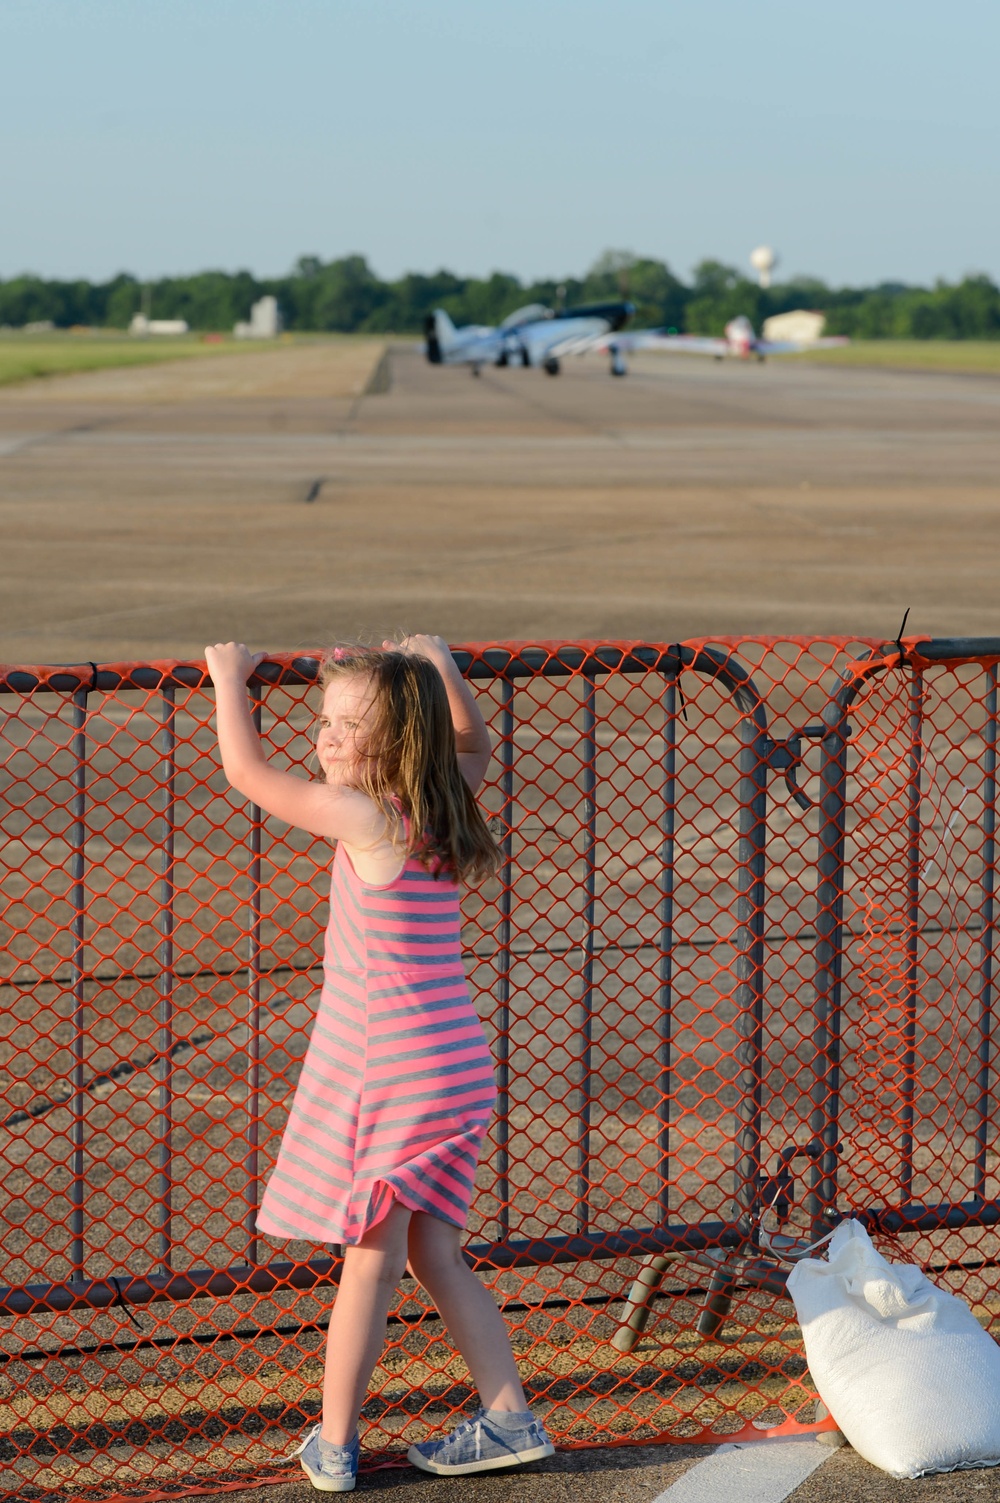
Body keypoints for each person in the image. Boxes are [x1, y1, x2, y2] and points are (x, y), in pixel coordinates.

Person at [205, 635, 553, 1493]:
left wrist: (229, 679)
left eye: (348, 725)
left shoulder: (367, 817)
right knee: (436, 1253)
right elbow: (475, 745)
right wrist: (443, 667)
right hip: (454, 1064)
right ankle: (510, 1417)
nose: (325, 737)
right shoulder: (444, 803)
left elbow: (247, 773)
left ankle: (333, 1445)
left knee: (370, 1259)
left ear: (396, 741)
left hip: (392, 1072)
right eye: (324, 720)